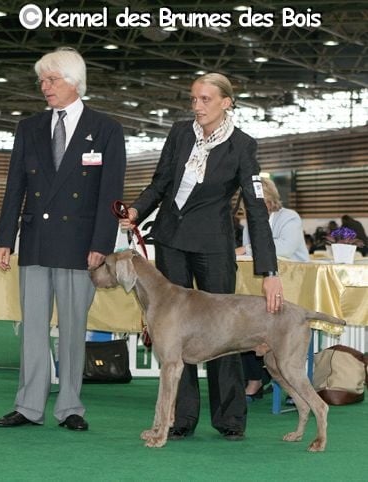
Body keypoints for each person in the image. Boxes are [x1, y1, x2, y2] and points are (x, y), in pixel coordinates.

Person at [120, 73, 283, 442]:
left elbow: (256, 209)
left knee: (224, 332)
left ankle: (229, 418)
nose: (197, 106)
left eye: (206, 99)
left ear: (227, 102)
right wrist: (136, 211)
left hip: (213, 246)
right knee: (175, 335)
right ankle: (180, 418)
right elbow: (160, 183)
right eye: (193, 99)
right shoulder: (180, 133)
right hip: (170, 241)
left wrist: (269, 269)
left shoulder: (242, 146)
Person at [0, 47, 126, 431]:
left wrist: (102, 244)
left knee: (72, 329)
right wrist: (5, 237)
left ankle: (70, 407)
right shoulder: (29, 127)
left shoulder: (106, 129)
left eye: (51, 79)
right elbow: (15, 184)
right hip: (35, 239)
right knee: (32, 328)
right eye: (42, 80)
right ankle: (28, 406)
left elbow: (110, 193)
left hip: (81, 243)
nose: (44, 86)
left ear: (73, 81)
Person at [236, 177, 309, 400]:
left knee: (287, 333)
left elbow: (285, 249)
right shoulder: (250, 222)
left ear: (271, 200)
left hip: (294, 285)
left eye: (261, 201)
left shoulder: (290, 217)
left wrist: (247, 247)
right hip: (260, 282)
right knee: (244, 325)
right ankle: (255, 379)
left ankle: (294, 381)